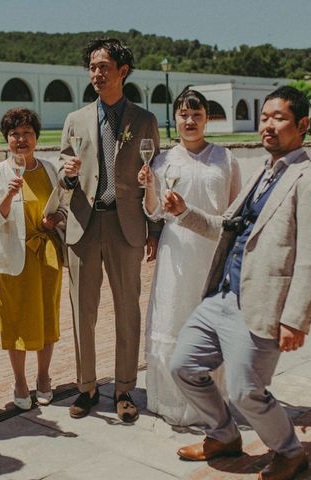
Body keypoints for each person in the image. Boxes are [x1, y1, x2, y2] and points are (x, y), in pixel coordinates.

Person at [165, 86, 311, 480]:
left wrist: (296, 318)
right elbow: (228, 227)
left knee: (246, 392)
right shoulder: (262, 170)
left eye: (279, 118)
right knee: (183, 365)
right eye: (264, 118)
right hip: (221, 295)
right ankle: (224, 436)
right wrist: (184, 212)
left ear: (303, 124)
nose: (268, 126)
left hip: (260, 304)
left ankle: (290, 453)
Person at [59, 37, 161, 421]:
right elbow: (64, 173)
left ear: (123, 71)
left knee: (126, 310)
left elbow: (155, 177)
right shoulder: (74, 120)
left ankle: (123, 388)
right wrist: (67, 176)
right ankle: (86, 387)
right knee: (82, 311)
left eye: (104, 67)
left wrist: (154, 229)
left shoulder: (145, 119)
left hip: (127, 225)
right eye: (92, 67)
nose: (97, 73)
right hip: (84, 224)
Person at [137, 89, 241, 426]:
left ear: (206, 119)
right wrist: (149, 187)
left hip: (212, 252)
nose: (190, 120)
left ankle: (211, 402)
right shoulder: (163, 161)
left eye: (196, 115)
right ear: (175, 118)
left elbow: (235, 210)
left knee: (209, 325)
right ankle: (171, 402)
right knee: (173, 320)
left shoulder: (226, 158)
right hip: (176, 252)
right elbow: (153, 213)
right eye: (183, 114)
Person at [0, 108, 66, 410]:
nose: (21, 139)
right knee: (15, 319)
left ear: (36, 137)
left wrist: (55, 218)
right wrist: (7, 195)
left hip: (46, 255)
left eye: (27, 133)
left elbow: (62, 209)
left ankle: (44, 378)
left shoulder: (48, 169)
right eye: (15, 134)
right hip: (13, 257)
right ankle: (20, 380)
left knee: (47, 316)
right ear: (7, 139)